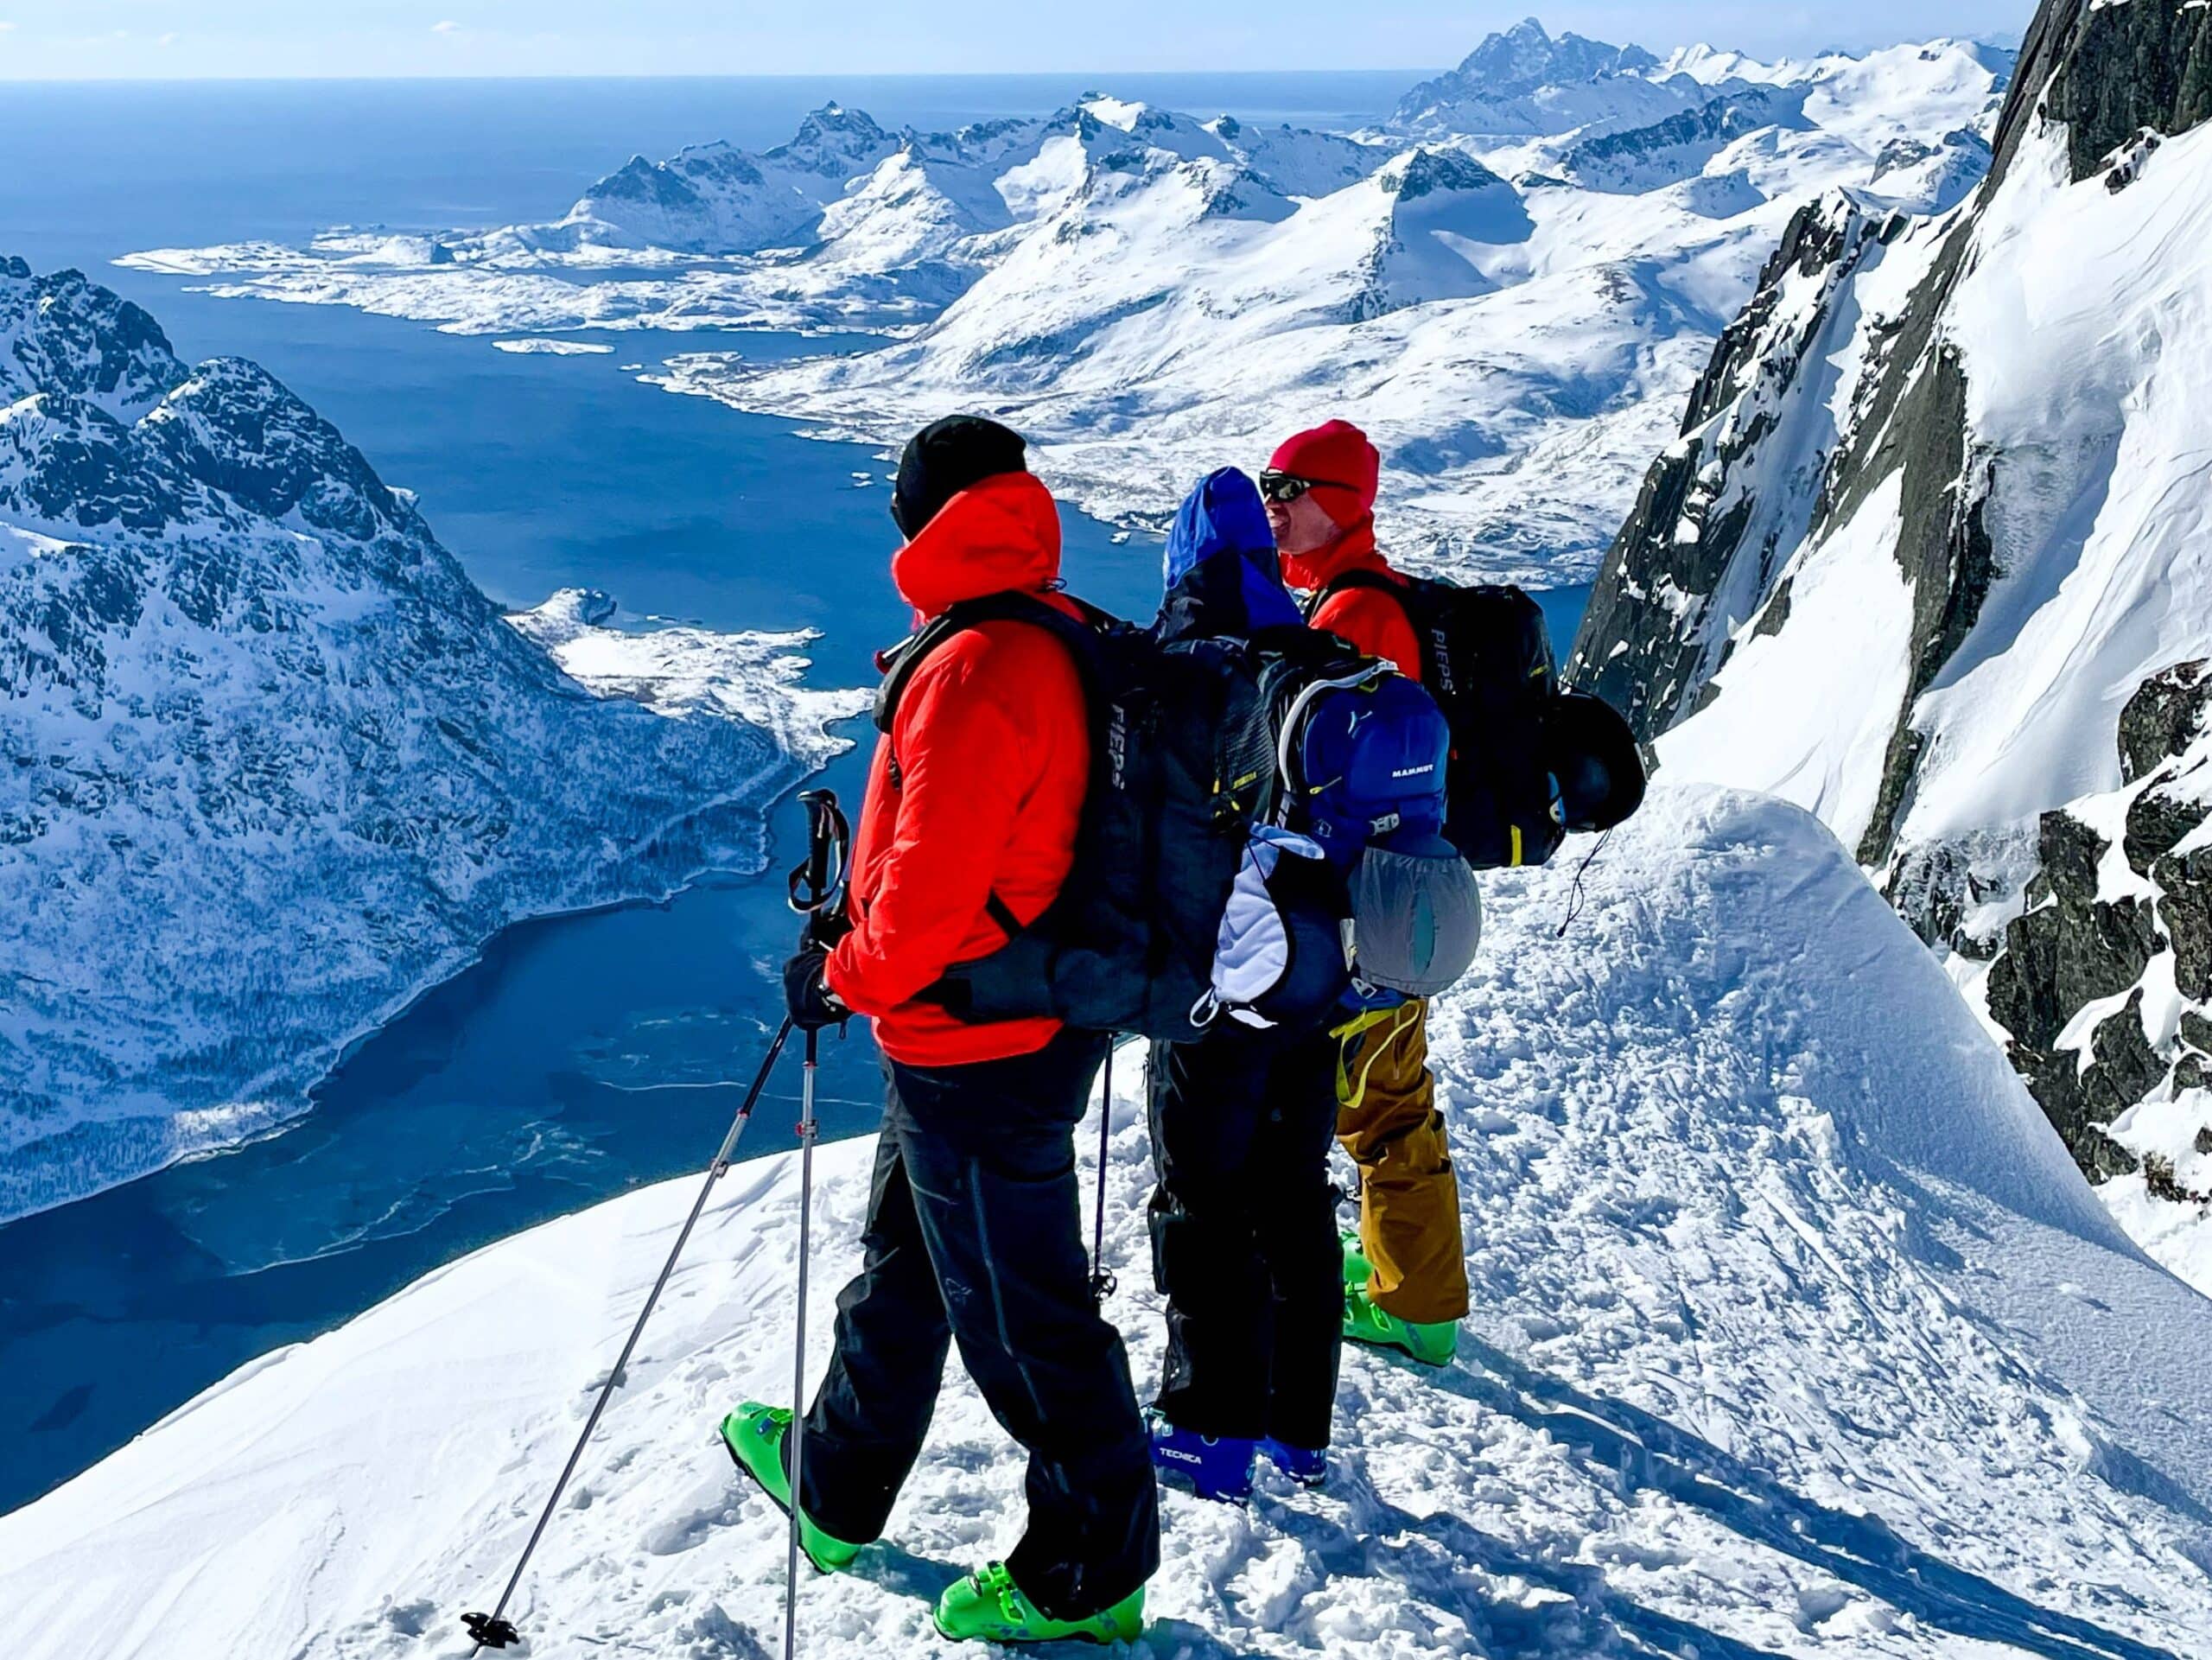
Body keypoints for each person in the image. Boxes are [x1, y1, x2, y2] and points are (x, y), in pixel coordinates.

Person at [722, 416, 1158, 1646]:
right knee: (909, 1268)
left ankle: (1089, 1571)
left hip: (978, 1046)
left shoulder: (974, 665)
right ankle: (834, 1481)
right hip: (996, 1023)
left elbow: (924, 897)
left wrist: (844, 971)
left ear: (922, 516)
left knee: (1024, 1315)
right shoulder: (1042, 626)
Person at [1141, 468, 1345, 1502]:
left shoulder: (1186, 664)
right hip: (1319, 982)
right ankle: (1296, 1431)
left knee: (1205, 1198)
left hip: (1216, 991)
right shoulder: (1317, 656)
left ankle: (1208, 1432)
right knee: (1295, 1191)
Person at [1262, 418, 1471, 1368]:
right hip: (1393, 900)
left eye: (1288, 487)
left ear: (1338, 502)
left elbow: (1332, 785)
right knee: (1387, 1094)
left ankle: (1415, 1306)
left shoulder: (1355, 618)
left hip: (1362, 912)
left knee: (1378, 1106)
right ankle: (1403, 1280)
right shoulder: (1362, 601)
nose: (1272, 503)